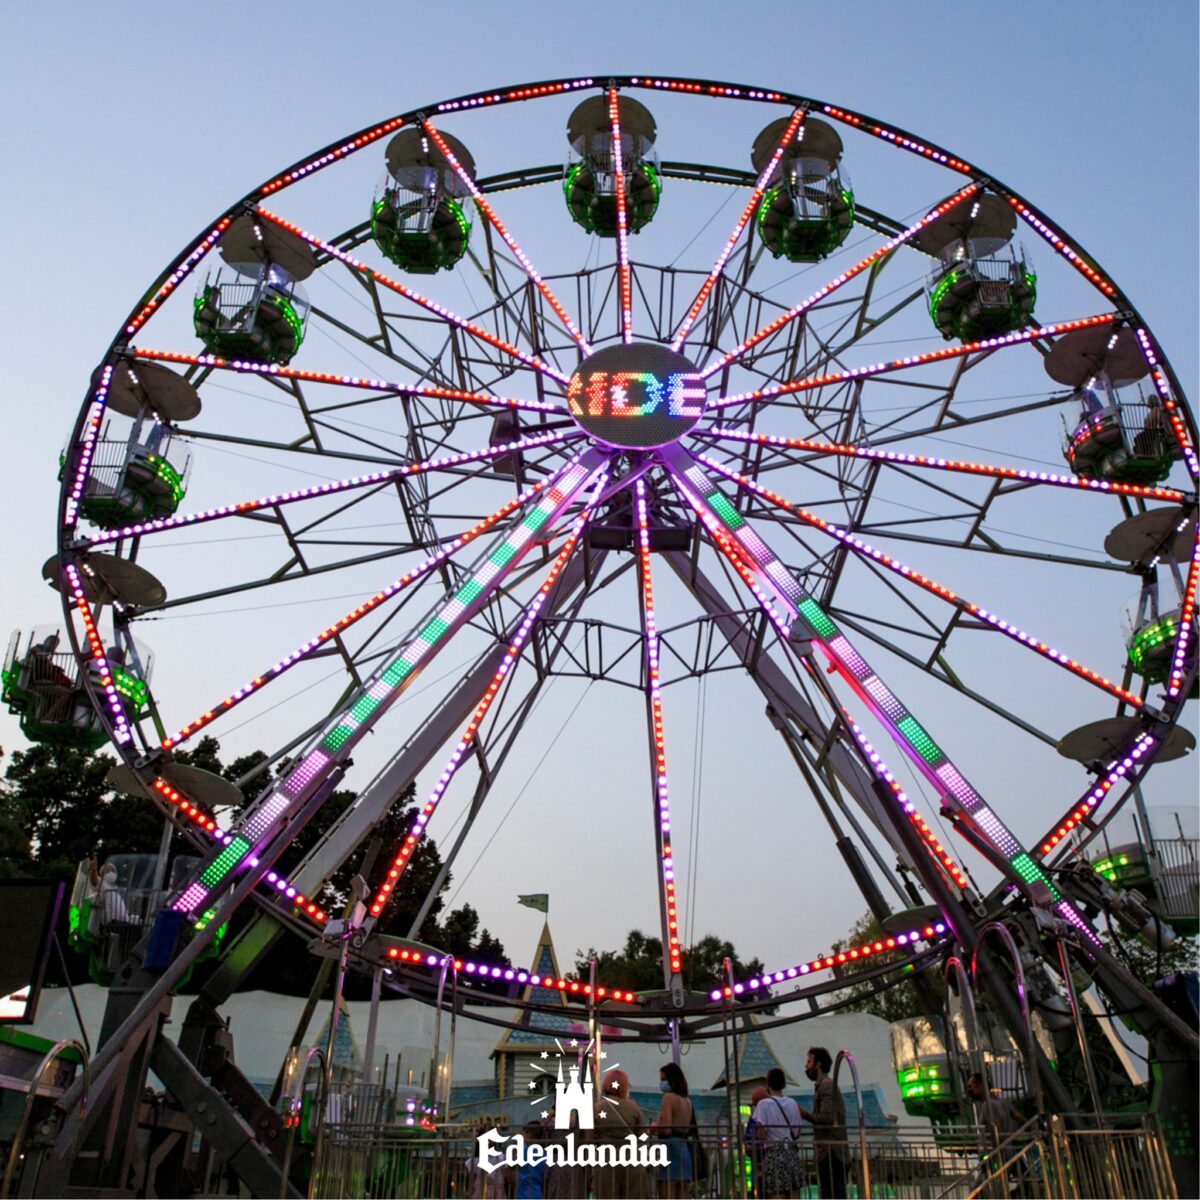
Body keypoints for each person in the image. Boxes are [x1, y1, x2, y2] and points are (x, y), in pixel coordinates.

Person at [799, 1047, 846, 1200]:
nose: (806, 1066)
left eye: (809, 1061)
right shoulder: (823, 1086)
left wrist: (804, 1114)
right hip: (829, 1149)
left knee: (831, 1191)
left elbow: (826, 1117)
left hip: (831, 1151)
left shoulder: (826, 1085)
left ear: (818, 1064)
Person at [593, 1068, 645, 1199]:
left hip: (606, 1158)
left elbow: (589, 1138)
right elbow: (643, 1135)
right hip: (632, 1157)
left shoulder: (597, 1108)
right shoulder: (634, 1108)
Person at [751, 1069, 803, 1199]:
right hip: (791, 1154)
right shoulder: (792, 1103)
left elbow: (762, 1135)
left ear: (768, 1085)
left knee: (776, 1193)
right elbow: (796, 1134)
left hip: (774, 1154)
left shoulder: (763, 1105)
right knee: (794, 1192)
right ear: (784, 1084)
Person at [652, 1062, 693, 1199]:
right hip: (684, 1149)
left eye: (663, 1079)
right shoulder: (687, 1100)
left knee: (667, 1190)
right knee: (683, 1192)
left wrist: (654, 1128)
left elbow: (666, 1128)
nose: (662, 1083)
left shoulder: (668, 1098)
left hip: (670, 1150)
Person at [744, 1085, 768, 1198]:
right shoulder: (755, 1116)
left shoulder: (756, 1116)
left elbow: (747, 1136)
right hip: (758, 1154)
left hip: (763, 1154)